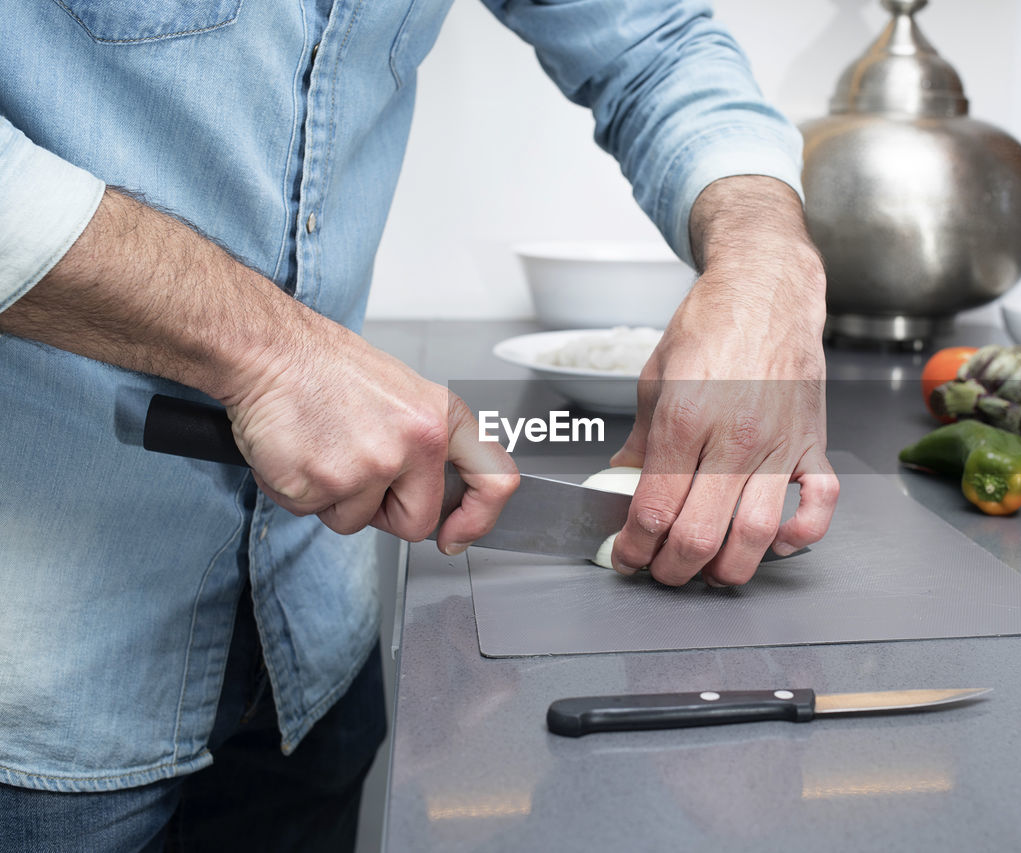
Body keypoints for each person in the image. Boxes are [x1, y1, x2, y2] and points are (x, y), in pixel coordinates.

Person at [0, 0, 839, 849]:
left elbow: (652, 42)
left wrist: (768, 264)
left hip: (313, 641)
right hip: (39, 701)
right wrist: (271, 353)